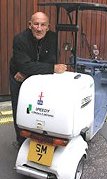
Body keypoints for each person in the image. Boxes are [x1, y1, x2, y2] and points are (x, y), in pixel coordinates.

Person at [9, 12, 67, 146]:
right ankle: (21, 141)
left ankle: (43, 137)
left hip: (37, 76)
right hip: (18, 76)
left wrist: (29, 70)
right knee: (20, 107)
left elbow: (51, 60)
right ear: (30, 25)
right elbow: (25, 65)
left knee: (42, 107)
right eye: (36, 24)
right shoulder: (19, 39)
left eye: (43, 25)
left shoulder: (53, 38)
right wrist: (51, 68)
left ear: (48, 26)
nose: (39, 28)